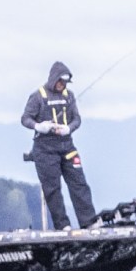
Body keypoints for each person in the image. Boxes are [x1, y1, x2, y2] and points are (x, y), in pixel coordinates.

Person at [21, 61, 97, 230]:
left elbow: (77, 119)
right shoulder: (38, 96)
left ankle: (89, 222)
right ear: (53, 79)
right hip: (45, 149)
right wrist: (39, 126)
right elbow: (25, 118)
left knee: (79, 184)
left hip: (67, 146)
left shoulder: (69, 96)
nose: (63, 85)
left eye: (65, 82)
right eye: (60, 81)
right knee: (52, 189)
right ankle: (63, 225)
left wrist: (68, 128)